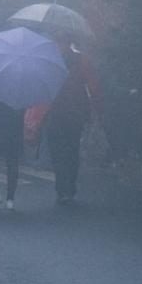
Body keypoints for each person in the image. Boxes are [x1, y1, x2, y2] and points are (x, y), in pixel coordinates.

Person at [46, 38, 102, 205]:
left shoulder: (51, 61)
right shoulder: (82, 60)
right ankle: (67, 187)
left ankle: (64, 187)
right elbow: (93, 87)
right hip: (73, 112)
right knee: (70, 150)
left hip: (58, 111)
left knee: (61, 151)